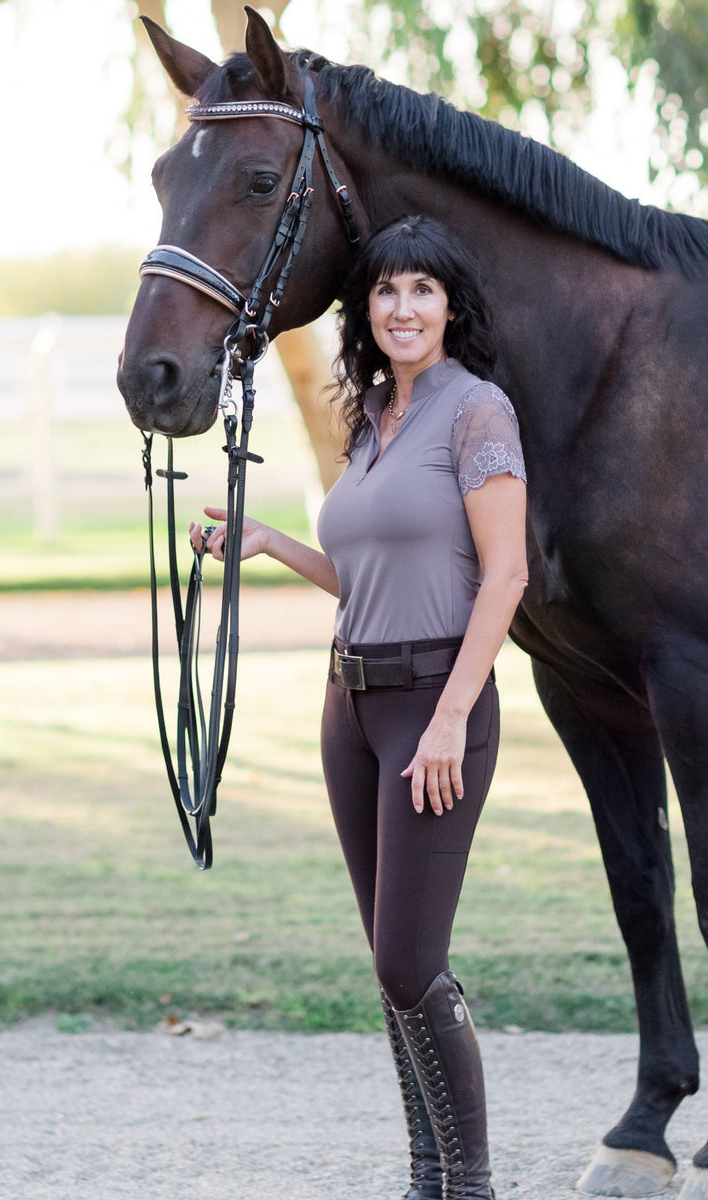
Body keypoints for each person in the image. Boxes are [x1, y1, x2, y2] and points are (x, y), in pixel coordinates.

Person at [191, 214, 527, 1200]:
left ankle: (469, 1186)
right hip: (353, 704)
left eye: (423, 288)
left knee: (410, 959)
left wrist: (452, 719)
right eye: (386, 290)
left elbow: (504, 576)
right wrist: (270, 543)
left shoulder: (479, 414)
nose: (403, 306)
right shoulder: (371, 416)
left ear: (450, 305)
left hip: (435, 702)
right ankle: (427, 1178)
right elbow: (365, 572)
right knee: (391, 966)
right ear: (366, 311)